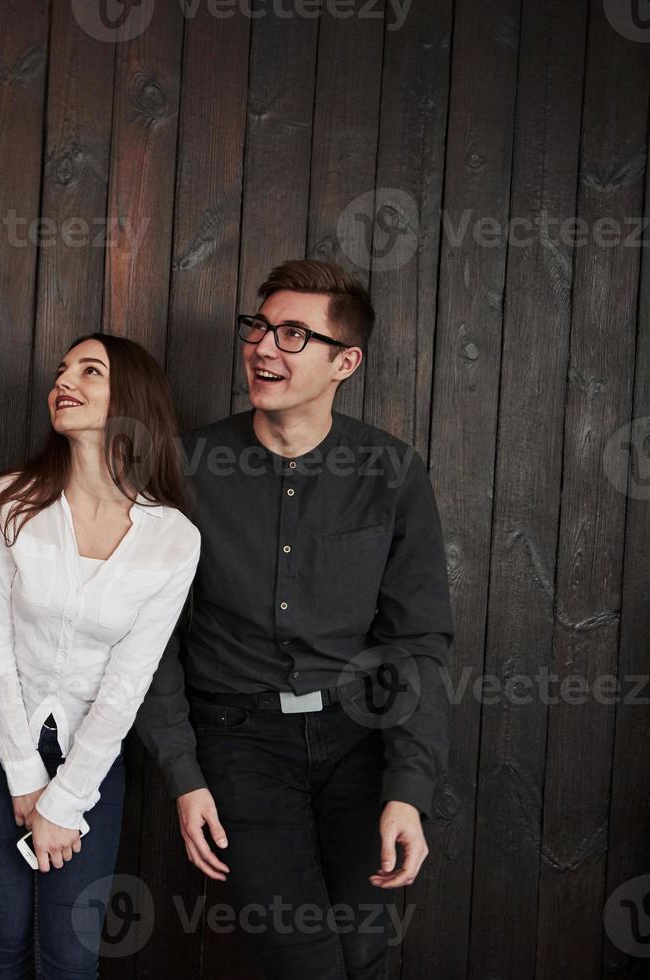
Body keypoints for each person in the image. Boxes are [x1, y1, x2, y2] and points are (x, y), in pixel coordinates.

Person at [136, 260, 453, 979]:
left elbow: (415, 642)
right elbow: (152, 637)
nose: (262, 347)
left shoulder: (392, 473)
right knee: (300, 957)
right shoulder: (186, 467)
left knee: (362, 951)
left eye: (291, 333)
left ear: (345, 361)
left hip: (358, 741)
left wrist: (408, 788)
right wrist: (182, 773)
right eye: (258, 327)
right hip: (237, 742)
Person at [0, 334, 200, 978]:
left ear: (133, 400)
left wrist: (63, 801)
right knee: (2, 936)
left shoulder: (173, 539)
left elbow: (128, 684)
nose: (65, 380)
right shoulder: (9, 500)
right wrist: (27, 778)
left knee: (71, 958)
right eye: (62, 370)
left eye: (90, 370)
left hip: (91, 753)